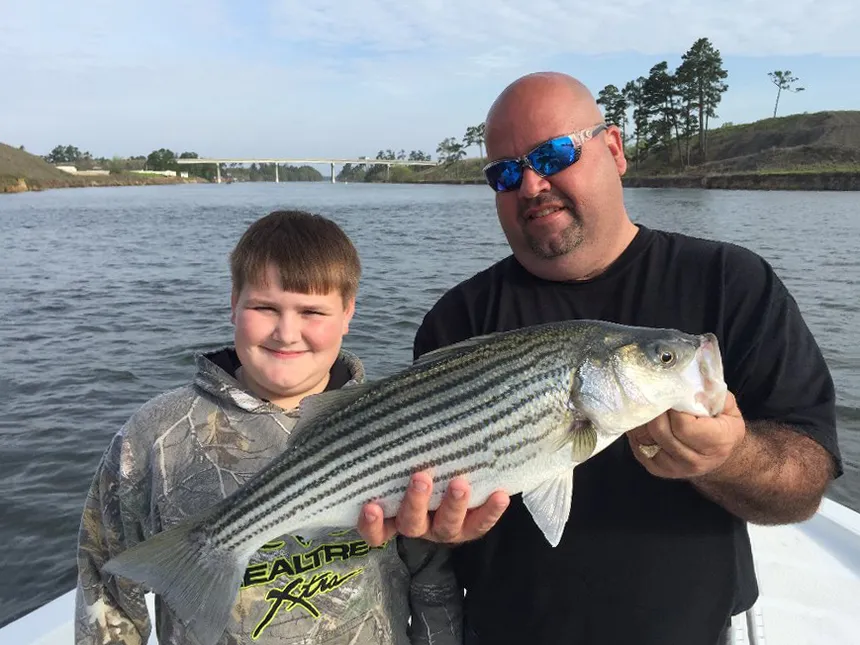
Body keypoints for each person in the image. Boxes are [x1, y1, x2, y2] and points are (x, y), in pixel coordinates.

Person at [357, 72, 843, 645]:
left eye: (555, 153)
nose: (531, 184)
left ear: (614, 149)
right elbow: (437, 505)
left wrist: (729, 458)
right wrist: (439, 528)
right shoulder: (456, 318)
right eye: (506, 172)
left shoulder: (729, 282)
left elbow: (805, 482)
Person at [74, 210, 462, 645]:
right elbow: (106, 588)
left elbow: (431, 576)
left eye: (313, 311)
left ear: (348, 313)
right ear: (233, 303)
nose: (287, 332)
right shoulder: (154, 434)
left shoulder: (403, 420)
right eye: (264, 307)